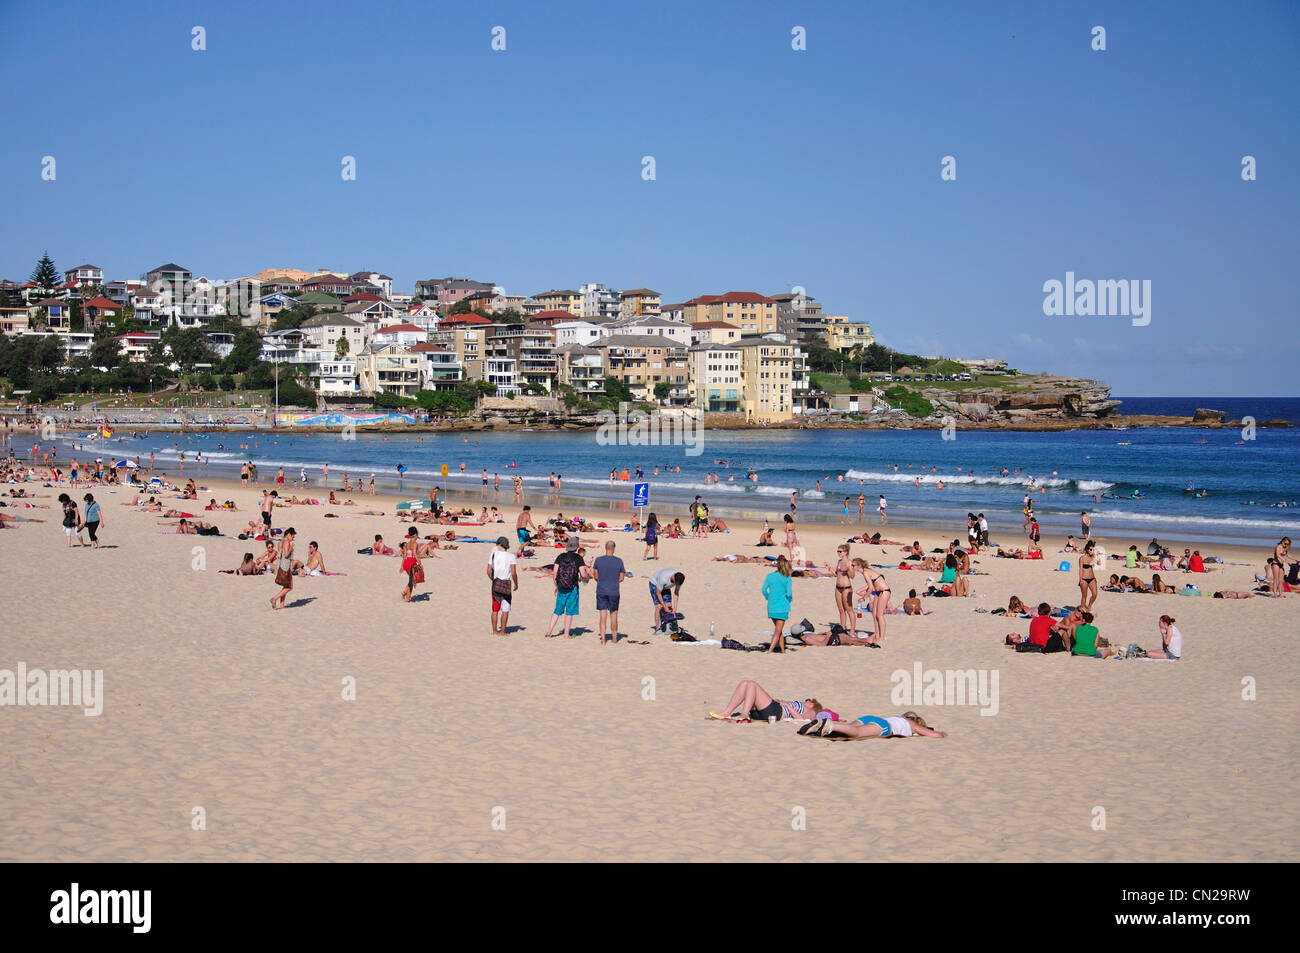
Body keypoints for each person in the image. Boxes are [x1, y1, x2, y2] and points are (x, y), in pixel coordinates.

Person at [713, 680, 821, 722]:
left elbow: (802, 719)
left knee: (752, 684)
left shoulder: (811, 710)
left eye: (808, 700)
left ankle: (744, 713)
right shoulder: (801, 706)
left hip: (775, 712)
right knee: (745, 683)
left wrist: (787, 706)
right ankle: (727, 712)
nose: (805, 700)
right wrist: (784, 702)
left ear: (812, 704)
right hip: (769, 711)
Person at [800, 711, 947, 739]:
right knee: (856, 734)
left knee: (851, 728)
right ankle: (830, 725)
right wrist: (941, 734)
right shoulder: (911, 724)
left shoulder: (900, 718)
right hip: (884, 726)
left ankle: (824, 728)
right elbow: (932, 734)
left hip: (871, 718)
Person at [544, 537, 584, 638]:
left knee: (557, 610)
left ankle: (549, 632)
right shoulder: (578, 558)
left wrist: (556, 586)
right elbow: (583, 574)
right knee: (569, 611)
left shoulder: (560, 556)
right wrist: (588, 577)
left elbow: (555, 573)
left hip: (561, 587)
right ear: (576, 547)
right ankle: (566, 634)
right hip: (573, 587)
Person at [592, 540, 627, 646]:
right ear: (614, 548)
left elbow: (596, 576)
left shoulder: (598, 560)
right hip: (613, 590)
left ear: (605, 548)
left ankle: (603, 640)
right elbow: (621, 578)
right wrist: (613, 580)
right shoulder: (619, 561)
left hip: (601, 589)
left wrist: (602, 580)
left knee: (602, 616)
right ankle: (614, 638)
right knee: (614, 615)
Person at [853, 558, 892, 645]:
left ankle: (881, 637)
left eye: (853, 565)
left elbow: (870, 588)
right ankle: (877, 634)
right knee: (874, 614)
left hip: (884, 591)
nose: (852, 567)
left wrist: (864, 597)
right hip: (878, 592)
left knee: (879, 615)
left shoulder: (866, 572)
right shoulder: (865, 572)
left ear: (859, 565)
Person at [762, 555, 794, 653]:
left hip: (771, 606)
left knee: (779, 630)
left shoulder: (770, 576)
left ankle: (783, 650)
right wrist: (789, 600)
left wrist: (768, 597)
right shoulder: (787, 578)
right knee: (777, 631)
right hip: (782, 607)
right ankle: (770, 651)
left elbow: (763, 590)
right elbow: (789, 593)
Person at [488, 536, 519, 635]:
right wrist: (516, 584)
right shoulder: (511, 556)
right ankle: (502, 631)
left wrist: (493, 579)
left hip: (496, 583)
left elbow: (488, 571)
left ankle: (494, 631)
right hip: (506, 583)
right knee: (505, 609)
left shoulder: (493, 555)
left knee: (495, 609)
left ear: (500, 545)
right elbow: (513, 573)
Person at [271, 527, 296, 610]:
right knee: (289, 587)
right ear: (289, 534)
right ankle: (275, 598)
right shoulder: (286, 542)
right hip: (285, 566)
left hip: (281, 565)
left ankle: (282, 605)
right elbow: (285, 555)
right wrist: (291, 547)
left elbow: (280, 555)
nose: (293, 538)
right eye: (293, 536)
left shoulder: (281, 542)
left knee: (285, 586)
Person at [833, 544, 855, 633]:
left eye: (840, 551)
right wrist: (830, 569)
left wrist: (847, 570)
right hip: (838, 588)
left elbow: (852, 576)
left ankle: (852, 630)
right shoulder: (839, 561)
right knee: (841, 610)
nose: (838, 553)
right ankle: (843, 628)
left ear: (846, 552)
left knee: (849, 610)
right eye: (837, 551)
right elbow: (836, 574)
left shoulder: (850, 562)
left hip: (846, 588)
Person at [400, 527, 423, 603]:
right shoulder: (415, 543)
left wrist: (402, 566)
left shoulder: (407, 544)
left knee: (411, 579)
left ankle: (405, 592)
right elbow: (415, 554)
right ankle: (408, 598)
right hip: (411, 563)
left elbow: (405, 555)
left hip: (406, 562)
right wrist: (420, 563)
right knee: (412, 581)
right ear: (415, 534)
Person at [1078, 540, 1098, 612]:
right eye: (1090, 549)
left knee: (1095, 594)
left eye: (1093, 549)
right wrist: (1080, 580)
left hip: (1092, 578)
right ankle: (1082, 609)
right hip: (1084, 579)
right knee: (1084, 596)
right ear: (1087, 549)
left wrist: (1097, 557)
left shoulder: (1093, 557)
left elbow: (1098, 563)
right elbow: (1080, 570)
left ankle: (1089, 606)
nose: (1091, 551)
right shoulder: (1082, 558)